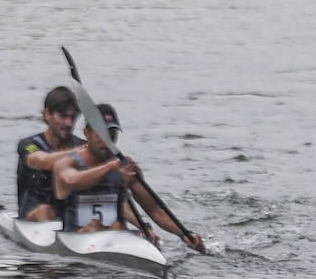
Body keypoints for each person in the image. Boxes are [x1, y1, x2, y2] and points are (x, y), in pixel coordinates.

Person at [53, 103, 205, 252]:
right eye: (101, 134)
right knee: (95, 225)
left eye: (112, 134)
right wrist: (110, 167)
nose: (107, 140)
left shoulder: (127, 169)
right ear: (87, 133)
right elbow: (71, 181)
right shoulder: (66, 164)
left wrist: (184, 234)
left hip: (117, 236)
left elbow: (155, 209)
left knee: (117, 227)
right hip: (75, 239)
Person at [15, 86, 84, 221]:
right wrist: (86, 153)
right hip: (34, 214)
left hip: (69, 214)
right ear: (47, 114)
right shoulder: (29, 145)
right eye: (63, 116)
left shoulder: (81, 145)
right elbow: (44, 161)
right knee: (46, 211)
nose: (69, 123)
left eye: (73, 117)